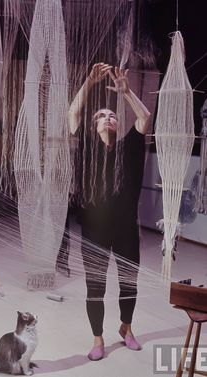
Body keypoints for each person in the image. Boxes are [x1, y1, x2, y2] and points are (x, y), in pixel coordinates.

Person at [68, 63, 150, 361]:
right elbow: (73, 113)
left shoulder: (129, 146)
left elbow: (144, 117)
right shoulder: (86, 148)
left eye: (112, 115)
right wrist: (90, 82)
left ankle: (125, 329)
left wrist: (127, 94)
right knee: (96, 286)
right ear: (93, 126)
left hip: (126, 228)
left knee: (129, 283)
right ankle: (98, 338)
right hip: (94, 231)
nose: (107, 118)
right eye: (101, 116)